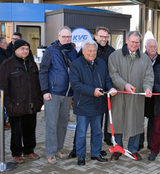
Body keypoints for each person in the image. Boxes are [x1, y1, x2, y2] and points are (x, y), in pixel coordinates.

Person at [68, 26, 115, 158]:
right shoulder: (76, 64)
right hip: (83, 104)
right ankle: (81, 155)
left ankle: (95, 154)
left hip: (98, 104)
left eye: (94, 51)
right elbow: (76, 84)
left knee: (97, 132)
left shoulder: (101, 63)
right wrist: (92, 91)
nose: (92, 53)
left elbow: (107, 79)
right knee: (81, 132)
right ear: (83, 51)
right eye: (89, 51)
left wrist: (110, 88)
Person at [108, 31, 154, 161]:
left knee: (136, 123)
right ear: (127, 41)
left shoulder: (145, 59)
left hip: (136, 97)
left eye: (137, 42)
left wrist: (148, 88)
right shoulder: (115, 56)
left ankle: (133, 149)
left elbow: (149, 76)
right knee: (117, 122)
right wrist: (124, 85)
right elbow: (113, 74)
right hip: (119, 96)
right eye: (132, 42)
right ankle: (118, 148)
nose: (134, 45)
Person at [39, 26, 78, 164]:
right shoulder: (51, 50)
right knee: (51, 124)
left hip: (68, 94)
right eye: (64, 36)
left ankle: (58, 149)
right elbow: (43, 71)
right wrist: (45, 91)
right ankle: (50, 152)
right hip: (53, 93)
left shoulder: (73, 51)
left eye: (69, 37)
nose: (66, 39)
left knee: (62, 124)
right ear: (58, 36)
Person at [0, 40, 43, 163]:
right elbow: (3, 87)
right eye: (22, 49)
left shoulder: (32, 64)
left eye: (27, 49)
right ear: (15, 50)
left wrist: (39, 100)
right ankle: (16, 153)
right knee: (16, 132)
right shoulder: (7, 65)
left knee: (30, 129)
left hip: (31, 104)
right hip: (15, 105)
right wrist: (8, 105)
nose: (25, 51)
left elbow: (37, 84)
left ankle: (29, 150)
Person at [139, 38, 160, 151]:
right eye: (150, 46)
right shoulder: (140, 58)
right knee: (139, 121)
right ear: (145, 47)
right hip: (142, 95)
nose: (153, 49)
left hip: (156, 97)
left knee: (153, 122)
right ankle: (139, 143)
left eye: (155, 46)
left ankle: (150, 143)